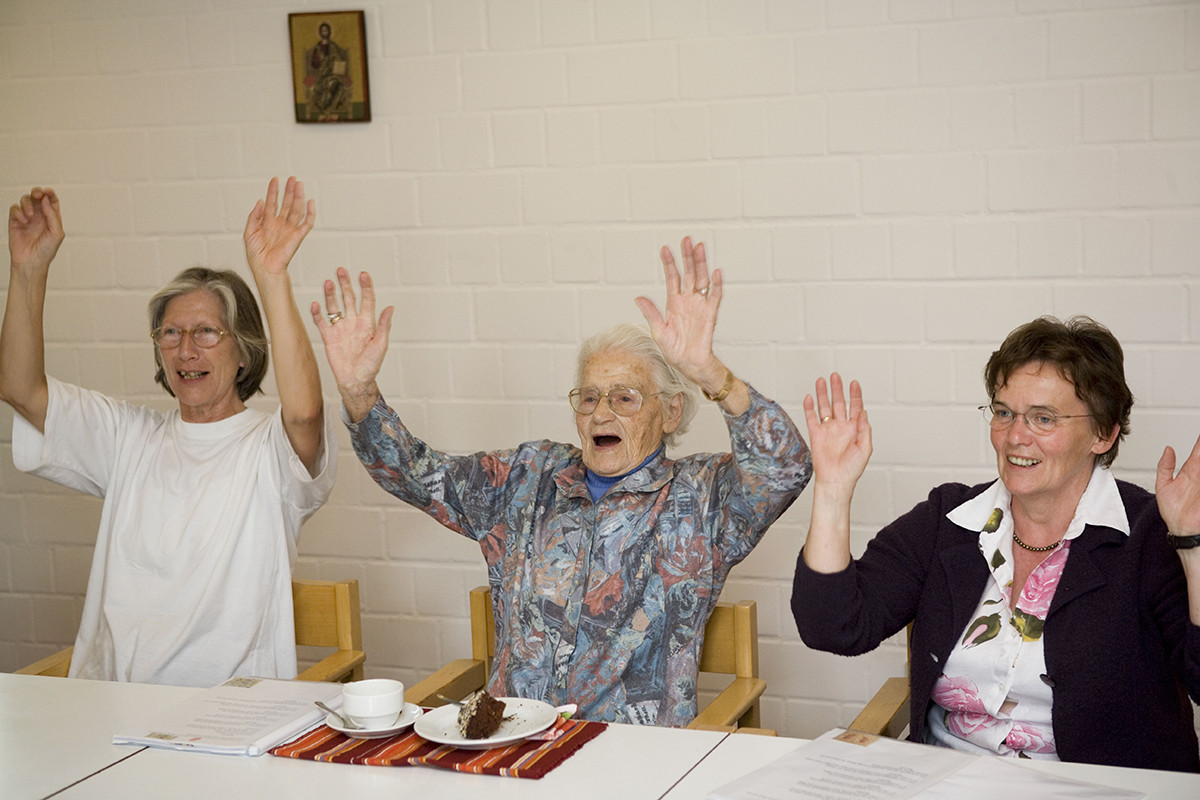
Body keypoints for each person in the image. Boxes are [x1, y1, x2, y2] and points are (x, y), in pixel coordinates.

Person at [313, 237, 811, 726]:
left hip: (626, 764)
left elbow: (786, 467)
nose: (601, 413)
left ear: (670, 411)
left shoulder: (701, 497)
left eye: (625, 398)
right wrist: (360, 392)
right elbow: (417, 474)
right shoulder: (529, 478)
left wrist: (709, 371)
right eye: (589, 397)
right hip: (509, 747)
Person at [791, 316, 1200, 772]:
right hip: (948, 780)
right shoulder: (949, 519)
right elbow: (833, 627)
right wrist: (832, 488)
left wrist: (1192, 543)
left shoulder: (1147, 533)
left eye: (1043, 418)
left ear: (1103, 434)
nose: (1014, 436)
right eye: (1004, 412)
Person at [1, 177, 337, 687]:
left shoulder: (268, 449)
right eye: (171, 333)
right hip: (112, 711)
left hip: (229, 718)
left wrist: (271, 277)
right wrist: (28, 270)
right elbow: (21, 388)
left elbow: (305, 413)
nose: (185, 351)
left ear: (243, 350)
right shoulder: (129, 437)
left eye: (206, 332)